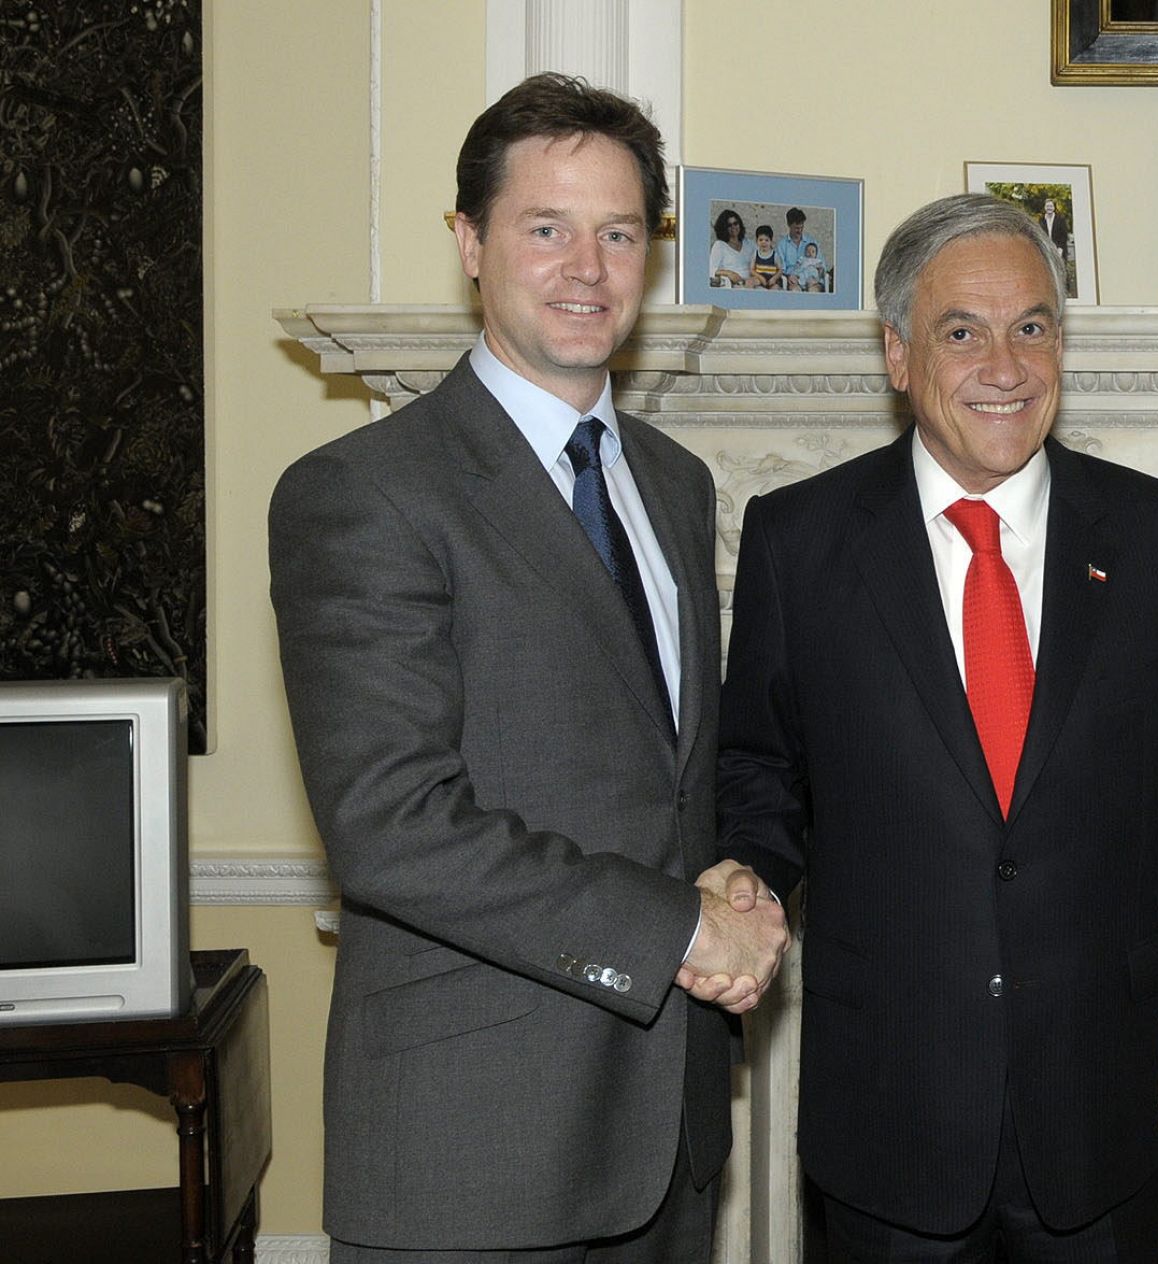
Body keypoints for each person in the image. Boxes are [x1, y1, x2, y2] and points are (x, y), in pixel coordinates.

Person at [269, 72, 790, 1263]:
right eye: (544, 228)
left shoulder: (670, 482)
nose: (586, 268)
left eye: (616, 233)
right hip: (475, 1155)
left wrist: (737, 882)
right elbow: (391, 825)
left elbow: (661, 777)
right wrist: (677, 931)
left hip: (668, 1144)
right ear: (468, 240)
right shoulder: (362, 493)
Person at [718, 193, 1158, 1260]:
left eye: (1032, 327)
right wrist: (745, 870)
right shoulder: (799, 540)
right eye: (960, 331)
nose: (1004, 366)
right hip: (889, 1101)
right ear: (895, 353)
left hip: (1104, 1096)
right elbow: (759, 767)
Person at [776, 206, 822, 291]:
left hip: (812, 279)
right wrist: (789, 276)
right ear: (789, 225)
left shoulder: (811, 241)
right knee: (795, 290)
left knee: (814, 290)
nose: (800, 231)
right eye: (796, 228)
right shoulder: (782, 245)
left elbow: (822, 266)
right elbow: (781, 269)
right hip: (793, 280)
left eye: (802, 227)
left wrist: (817, 277)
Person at [708, 206, 754, 288]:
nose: (733, 227)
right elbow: (711, 270)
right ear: (724, 228)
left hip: (753, 282)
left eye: (735, 223)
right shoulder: (719, 245)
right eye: (729, 225)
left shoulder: (749, 243)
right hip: (733, 285)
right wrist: (729, 273)